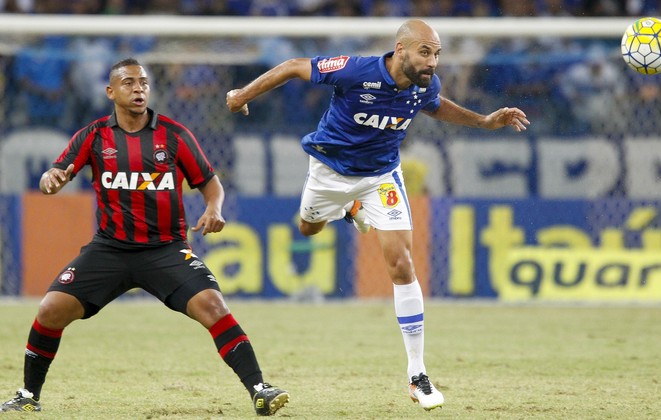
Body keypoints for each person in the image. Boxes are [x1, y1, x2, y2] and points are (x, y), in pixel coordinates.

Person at [225, 19, 529, 411]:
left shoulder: (424, 85)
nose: (432, 61)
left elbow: (435, 106)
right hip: (329, 172)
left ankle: (417, 375)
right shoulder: (356, 70)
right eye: (425, 51)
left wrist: (485, 121)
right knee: (308, 228)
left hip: (381, 177)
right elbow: (294, 66)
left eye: (436, 53)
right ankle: (348, 210)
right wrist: (241, 94)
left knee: (402, 263)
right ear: (400, 50)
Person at [0, 58, 288, 416]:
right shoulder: (93, 136)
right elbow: (55, 173)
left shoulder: (174, 135)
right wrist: (50, 180)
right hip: (110, 250)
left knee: (213, 306)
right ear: (111, 91)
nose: (138, 89)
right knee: (50, 310)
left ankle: (260, 389)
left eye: (143, 83)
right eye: (128, 83)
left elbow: (209, 182)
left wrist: (214, 208)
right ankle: (28, 395)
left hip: (165, 250)